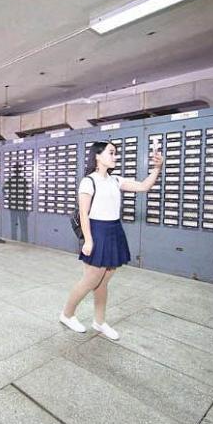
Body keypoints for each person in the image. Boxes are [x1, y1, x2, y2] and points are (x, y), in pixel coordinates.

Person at [59, 141, 164, 340]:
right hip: (96, 231)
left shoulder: (116, 180)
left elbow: (144, 186)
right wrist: (88, 240)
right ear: (97, 156)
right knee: (91, 280)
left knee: (104, 281)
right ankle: (67, 314)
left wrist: (157, 168)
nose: (115, 157)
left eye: (115, 153)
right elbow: (83, 214)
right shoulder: (88, 181)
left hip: (114, 229)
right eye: (111, 153)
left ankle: (99, 321)